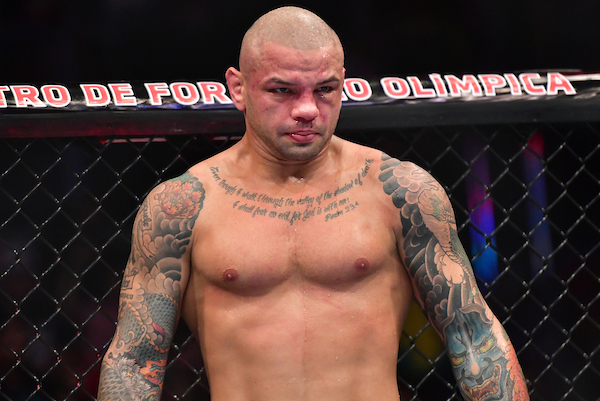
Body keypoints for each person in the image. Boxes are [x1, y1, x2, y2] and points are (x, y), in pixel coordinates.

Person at [98, 6, 529, 401]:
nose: (307, 109)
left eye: (324, 89)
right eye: (282, 90)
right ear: (238, 88)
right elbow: (135, 362)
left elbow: (473, 336)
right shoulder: (183, 206)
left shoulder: (399, 192)